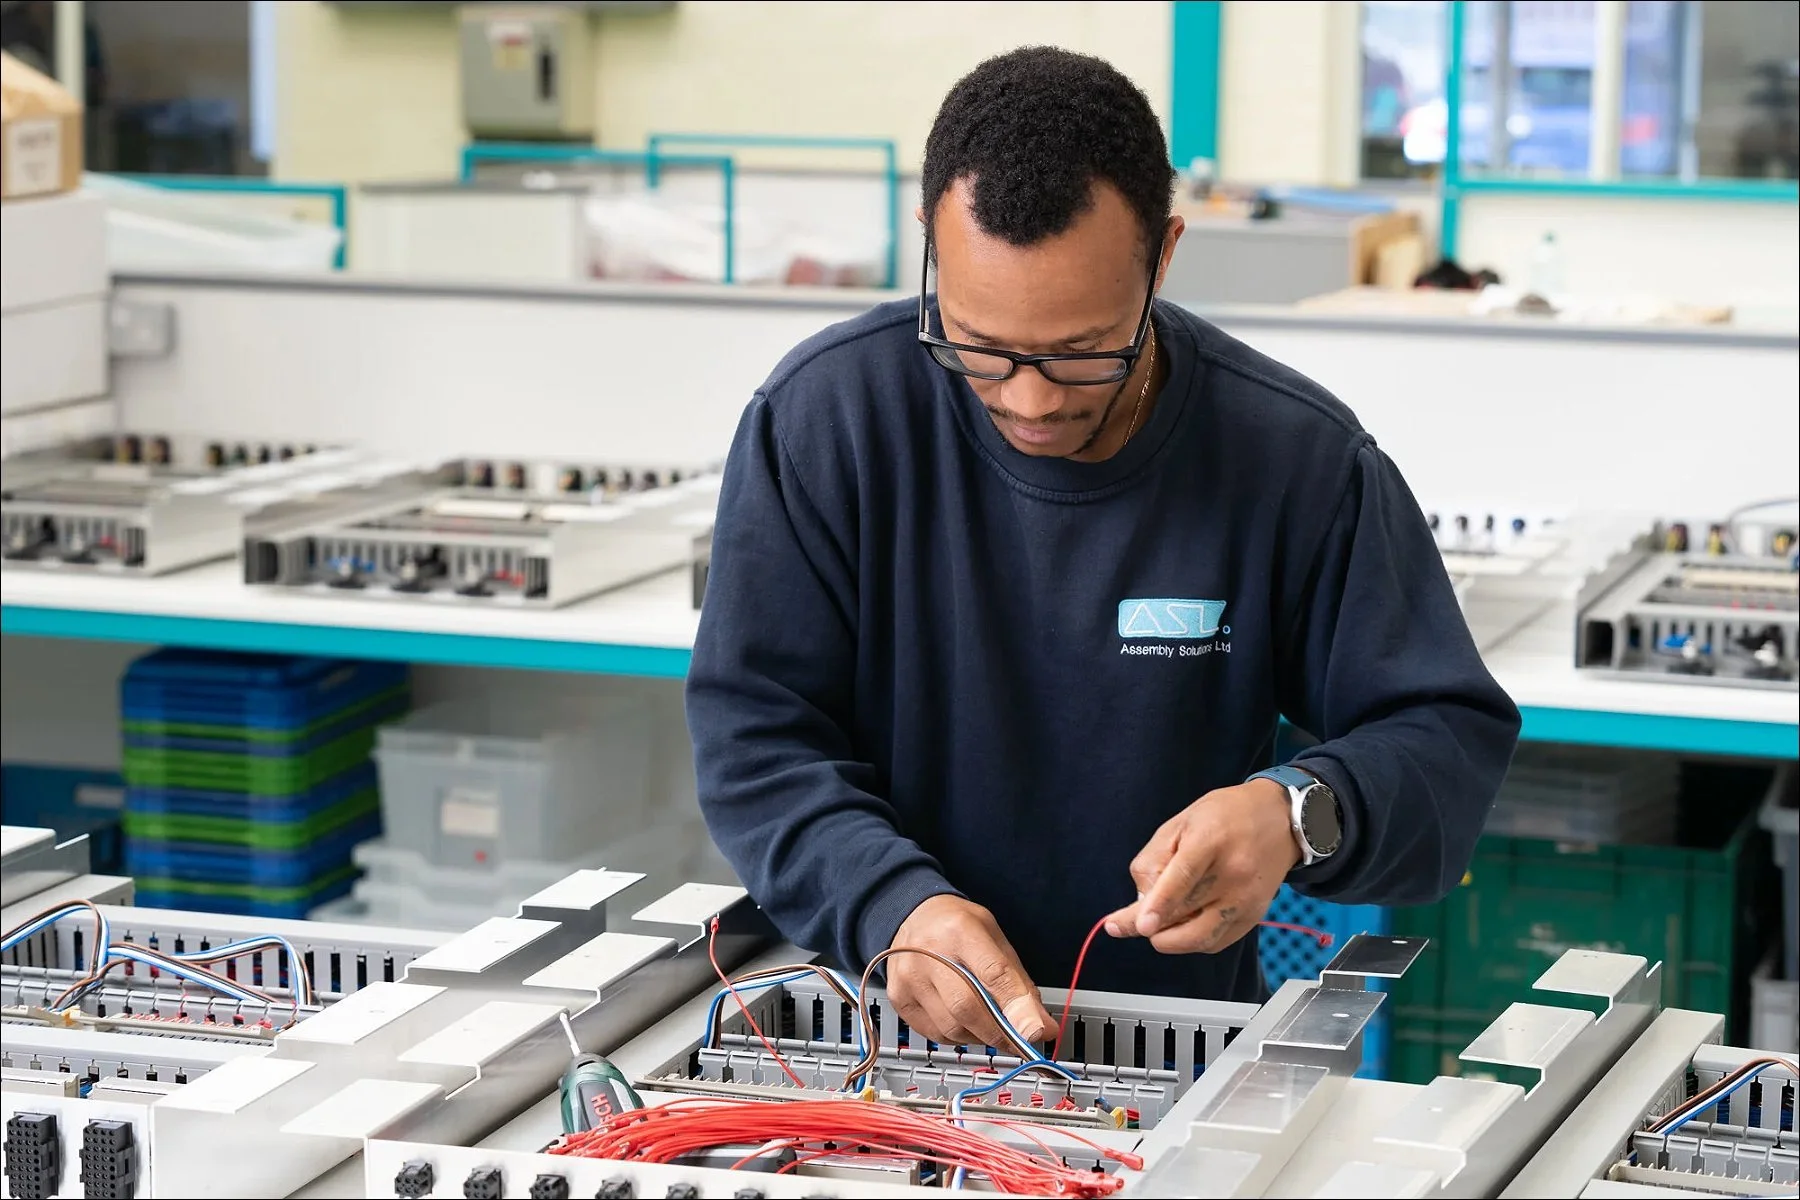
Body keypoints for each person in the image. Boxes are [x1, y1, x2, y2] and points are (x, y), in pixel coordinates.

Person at [686, 46, 1521, 1051]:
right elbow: (755, 740)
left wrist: (1298, 813)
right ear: (929, 249)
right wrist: (888, 905)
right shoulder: (826, 424)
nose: (1031, 401)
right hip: (867, 1041)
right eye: (980, 346)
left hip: (1171, 1052)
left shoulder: (1291, 458)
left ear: (1163, 256)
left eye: (1084, 352)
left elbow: (1446, 741)